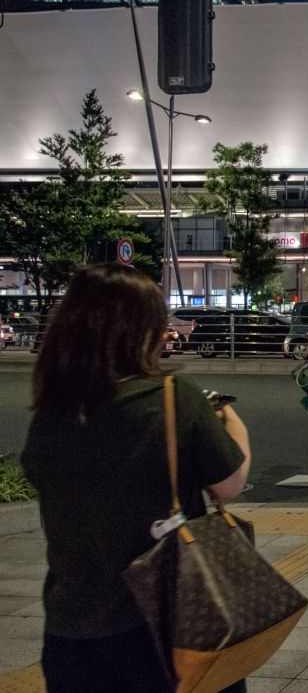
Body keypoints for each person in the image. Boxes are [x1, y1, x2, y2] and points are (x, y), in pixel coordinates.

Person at [22, 264, 250, 693]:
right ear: (141, 328)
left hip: (73, 631)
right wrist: (233, 424)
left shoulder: (52, 409)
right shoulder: (170, 395)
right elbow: (230, 484)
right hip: (168, 628)